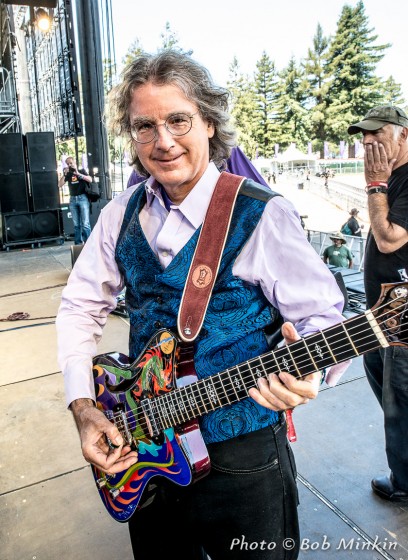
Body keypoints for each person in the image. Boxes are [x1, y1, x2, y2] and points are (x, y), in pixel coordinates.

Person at [56, 50, 347, 560]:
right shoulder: (119, 214)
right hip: (144, 449)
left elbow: (324, 318)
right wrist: (83, 405)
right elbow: (80, 307)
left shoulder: (262, 213)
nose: (163, 142)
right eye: (145, 126)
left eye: (178, 120)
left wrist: (311, 376)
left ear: (209, 123)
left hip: (242, 460)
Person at [348, 104, 408, 502]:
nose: (368, 143)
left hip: (401, 321)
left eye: (378, 135)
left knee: (400, 403)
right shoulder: (396, 178)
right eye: (364, 137)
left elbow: (388, 238)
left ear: (404, 135)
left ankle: (404, 484)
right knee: (389, 394)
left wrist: (374, 185)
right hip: (379, 317)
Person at [58, 156, 92, 245]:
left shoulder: (81, 171)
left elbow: (90, 179)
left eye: (71, 163)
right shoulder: (68, 174)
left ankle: (89, 243)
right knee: (76, 224)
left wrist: (78, 173)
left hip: (82, 198)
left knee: (85, 223)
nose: (70, 165)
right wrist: (65, 174)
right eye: (68, 164)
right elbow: (60, 185)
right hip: (73, 199)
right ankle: (78, 243)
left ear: (75, 162)